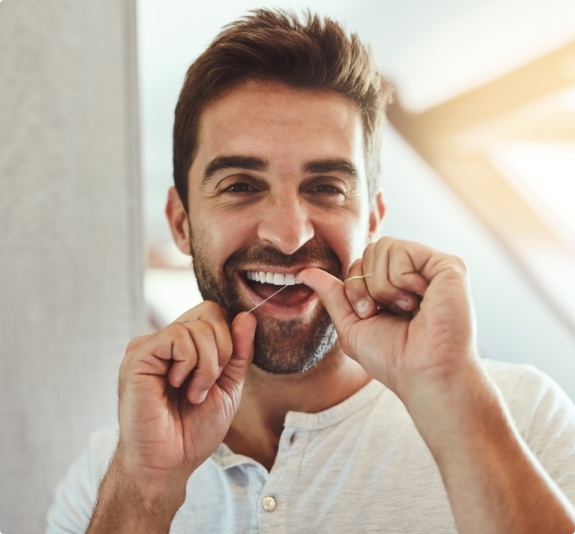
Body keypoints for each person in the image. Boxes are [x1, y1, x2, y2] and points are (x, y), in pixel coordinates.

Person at [47, 8, 575, 533]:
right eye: (241, 186)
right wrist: (145, 492)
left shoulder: (523, 418)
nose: (289, 233)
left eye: (325, 187)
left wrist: (452, 398)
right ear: (181, 222)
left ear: (371, 221)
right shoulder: (110, 475)